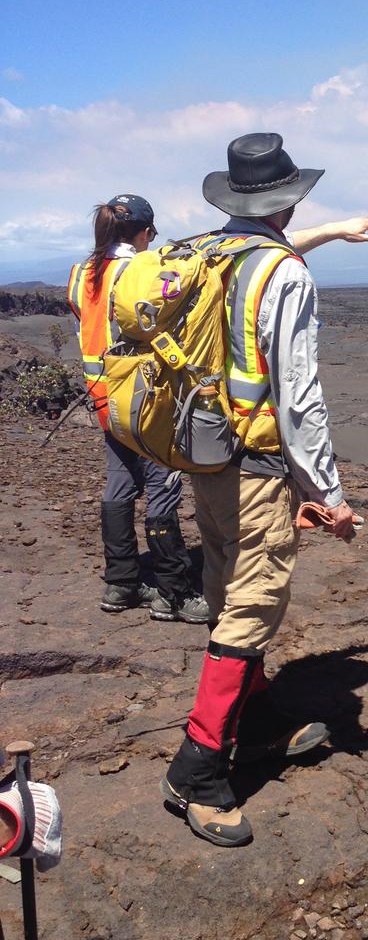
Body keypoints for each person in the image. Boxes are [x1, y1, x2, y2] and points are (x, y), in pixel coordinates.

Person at [162, 133, 368, 848]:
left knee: (227, 582)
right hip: (257, 464)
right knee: (253, 605)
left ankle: (255, 717)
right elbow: (300, 399)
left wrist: (327, 232)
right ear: (288, 201)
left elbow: (266, 264)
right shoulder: (284, 275)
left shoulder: (207, 251)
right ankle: (197, 771)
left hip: (205, 457)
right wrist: (328, 491)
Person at [67, 196, 209, 623]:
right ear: (145, 232)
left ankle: (121, 582)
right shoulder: (140, 272)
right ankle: (175, 592)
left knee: (119, 486)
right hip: (145, 399)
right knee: (162, 489)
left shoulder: (81, 274)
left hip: (104, 399)